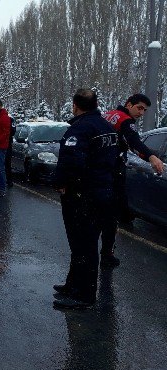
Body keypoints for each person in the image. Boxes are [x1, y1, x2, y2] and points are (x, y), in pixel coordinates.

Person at [53, 89, 119, 309]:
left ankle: (84, 295)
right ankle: (73, 285)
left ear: (75, 105)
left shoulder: (80, 129)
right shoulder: (107, 127)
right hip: (102, 192)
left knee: (83, 244)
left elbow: (72, 162)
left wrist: (61, 183)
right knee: (83, 243)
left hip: (83, 194)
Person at [100, 94, 165, 267]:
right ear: (129, 104)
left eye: (145, 110)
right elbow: (135, 143)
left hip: (98, 172)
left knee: (95, 215)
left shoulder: (109, 115)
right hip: (113, 172)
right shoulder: (126, 121)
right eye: (139, 108)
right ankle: (107, 255)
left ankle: (89, 256)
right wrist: (151, 157)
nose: (142, 112)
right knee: (111, 216)